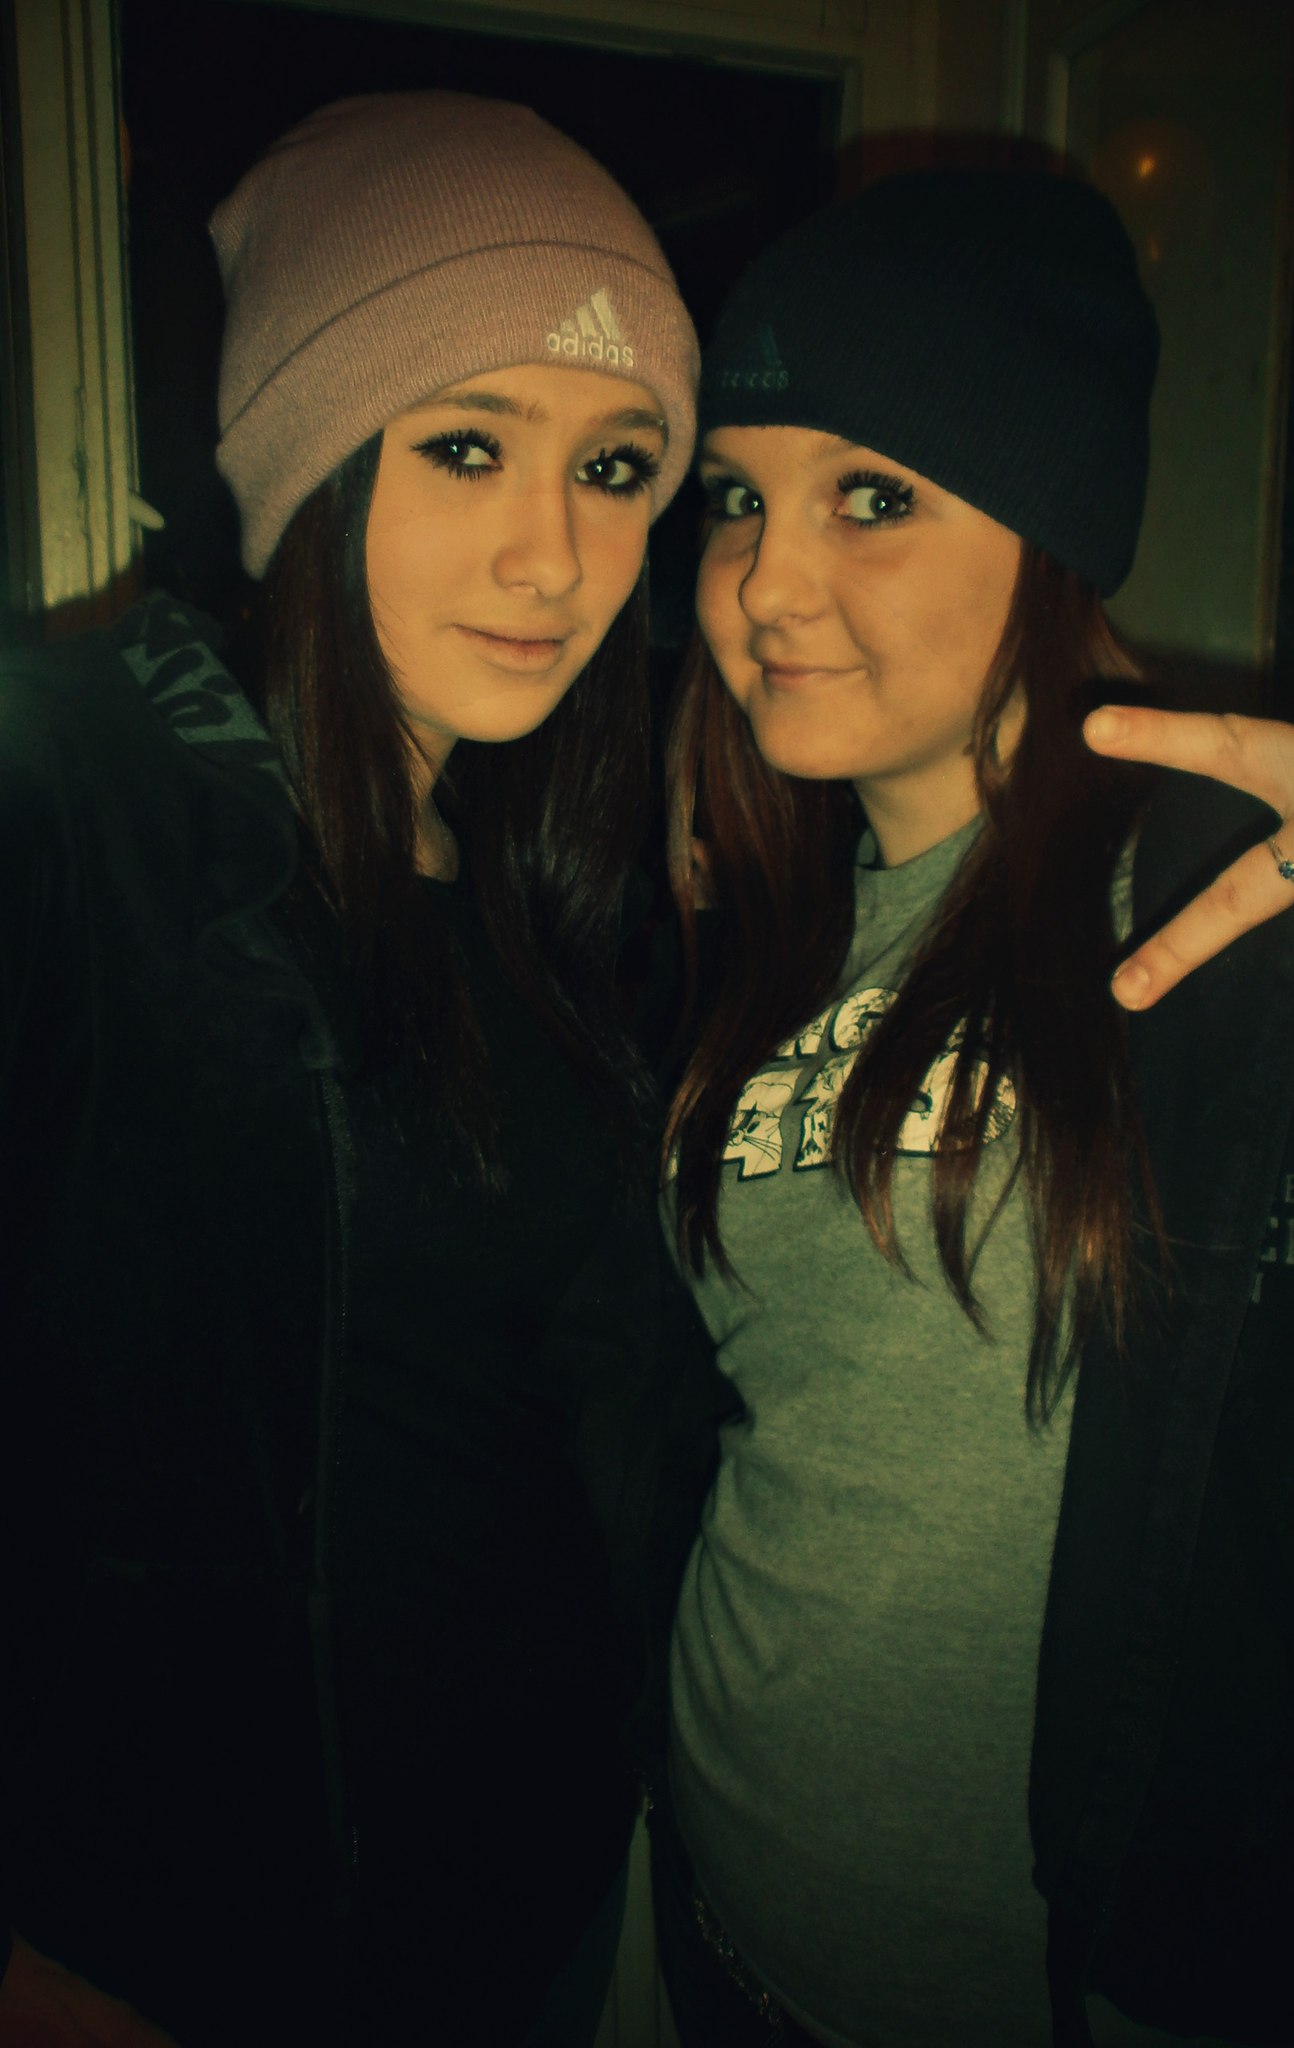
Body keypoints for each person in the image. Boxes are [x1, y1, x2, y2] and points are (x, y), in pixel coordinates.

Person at [0, 90, 712, 2047]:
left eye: (616, 467)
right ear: (307, 458)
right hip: (186, 1952)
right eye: (466, 444)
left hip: (527, 1912)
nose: (553, 554)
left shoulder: (539, 891)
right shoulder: (82, 790)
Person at [651, 166, 1294, 2047]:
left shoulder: (1226, 895)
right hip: (715, 1917)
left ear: (1050, 533)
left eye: (873, 496)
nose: (765, 581)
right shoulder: (767, 924)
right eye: (736, 498)